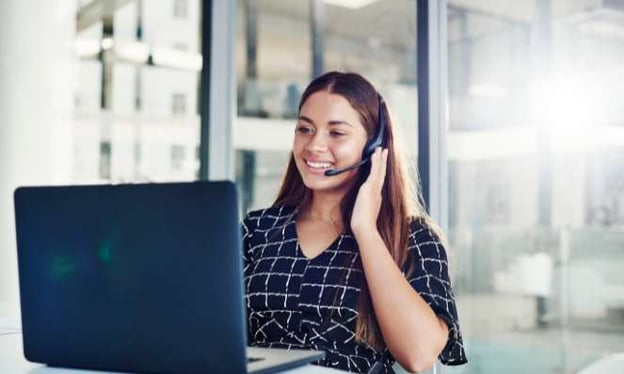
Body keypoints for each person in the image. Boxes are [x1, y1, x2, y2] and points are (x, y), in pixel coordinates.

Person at [242, 71, 467, 373]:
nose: (314, 146)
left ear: (372, 146)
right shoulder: (256, 232)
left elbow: (419, 354)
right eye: (305, 129)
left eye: (336, 133)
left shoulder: (412, 237)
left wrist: (366, 231)